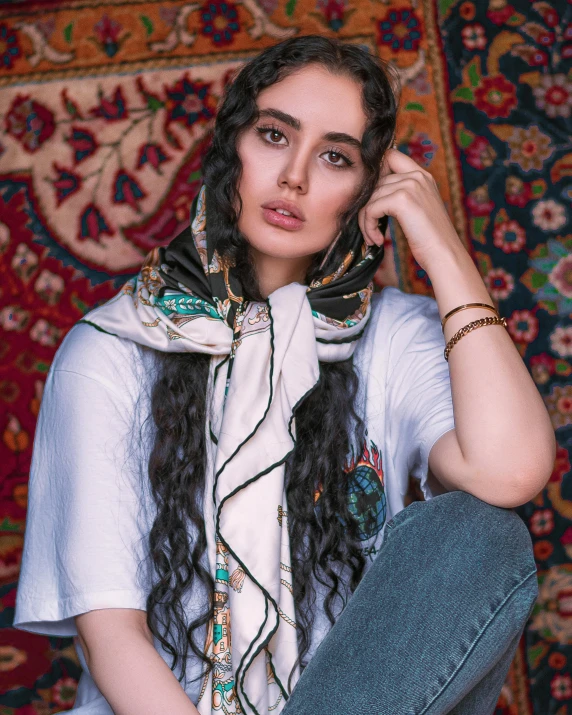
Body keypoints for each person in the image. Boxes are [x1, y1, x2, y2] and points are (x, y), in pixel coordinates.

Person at [13, 35, 555, 715]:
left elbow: (510, 470)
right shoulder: (111, 351)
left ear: (367, 188)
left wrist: (439, 242)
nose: (294, 177)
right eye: (274, 135)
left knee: (481, 532)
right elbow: (112, 638)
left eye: (335, 157)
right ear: (230, 148)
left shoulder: (395, 335)